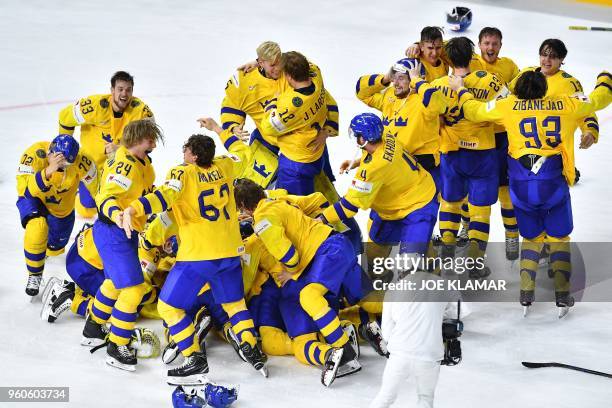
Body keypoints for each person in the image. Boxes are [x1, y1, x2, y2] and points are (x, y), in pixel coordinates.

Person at [451, 69, 611, 315]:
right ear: (544, 90)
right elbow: (599, 99)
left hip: (520, 184)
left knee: (532, 238)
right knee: (558, 238)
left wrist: (460, 89)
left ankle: (526, 291)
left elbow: (474, 111)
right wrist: (605, 78)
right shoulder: (564, 104)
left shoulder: (508, 105)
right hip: (552, 182)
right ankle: (562, 293)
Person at [121, 132, 267, 383]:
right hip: (231, 251)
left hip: (198, 255)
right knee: (234, 304)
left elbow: (163, 197)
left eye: (186, 149)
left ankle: (193, 358)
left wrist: (133, 208)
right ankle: (252, 348)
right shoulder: (224, 164)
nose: (183, 153)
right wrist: (222, 131)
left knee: (168, 307)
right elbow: (243, 154)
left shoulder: (183, 173)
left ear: (194, 155)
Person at [234, 179, 366, 387]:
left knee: (302, 317)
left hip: (310, 268)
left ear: (243, 207)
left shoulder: (258, 227)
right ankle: (362, 324)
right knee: (364, 299)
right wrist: (316, 224)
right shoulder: (279, 199)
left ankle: (341, 349)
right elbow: (318, 199)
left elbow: (288, 258)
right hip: (331, 251)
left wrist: (291, 271)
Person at [80, 119, 162, 371]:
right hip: (113, 230)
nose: (154, 143)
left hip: (124, 231)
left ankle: (93, 327)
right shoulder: (125, 165)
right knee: (134, 290)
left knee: (115, 282)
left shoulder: (142, 161)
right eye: (150, 138)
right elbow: (106, 196)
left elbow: (143, 191)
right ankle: (117, 346)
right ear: (138, 139)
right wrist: (117, 214)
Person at [319, 113, 438, 282]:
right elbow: (380, 156)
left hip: (419, 205)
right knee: (375, 251)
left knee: (412, 265)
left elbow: (350, 206)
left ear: (363, 139)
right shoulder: (386, 134)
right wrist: (356, 162)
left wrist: (323, 218)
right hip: (397, 201)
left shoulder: (372, 170)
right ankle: (380, 283)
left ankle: (439, 287)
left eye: (356, 134)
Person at [430, 37, 508, 278]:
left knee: (450, 203)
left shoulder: (438, 84)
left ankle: (447, 252)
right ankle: (475, 263)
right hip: (483, 154)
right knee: (480, 210)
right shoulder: (491, 80)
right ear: (472, 54)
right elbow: (509, 108)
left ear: (449, 59)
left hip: (451, 154)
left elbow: (430, 117)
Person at [58, 71, 154, 217]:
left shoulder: (140, 111)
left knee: (128, 197)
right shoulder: (94, 106)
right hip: (92, 166)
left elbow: (150, 143)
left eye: (128, 90)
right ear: (112, 91)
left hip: (122, 166)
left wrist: (123, 149)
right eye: (120, 89)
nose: (124, 93)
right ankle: (81, 196)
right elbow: (65, 118)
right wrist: (64, 150)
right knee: (88, 206)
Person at [462, 27, 521, 259]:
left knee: (506, 190)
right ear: (479, 45)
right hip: (474, 136)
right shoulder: (470, 62)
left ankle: (512, 236)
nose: (490, 48)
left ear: (501, 45)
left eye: (495, 44)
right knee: (471, 188)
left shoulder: (509, 66)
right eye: (486, 43)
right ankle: (467, 229)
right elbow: (441, 51)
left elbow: (521, 91)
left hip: (502, 137)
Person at [16, 134, 97, 296]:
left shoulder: (83, 162)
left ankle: (44, 252)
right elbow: (25, 191)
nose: (63, 167)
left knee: (55, 248)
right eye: (60, 162)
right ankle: (35, 275)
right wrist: (48, 170)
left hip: (62, 208)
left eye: (67, 164)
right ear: (50, 152)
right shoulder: (33, 155)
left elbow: (98, 190)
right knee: (37, 226)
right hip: (34, 198)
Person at [369, 272, 460, 408]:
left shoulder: (393, 290)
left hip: (399, 355)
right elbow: (457, 316)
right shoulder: (443, 286)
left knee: (385, 397)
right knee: (425, 399)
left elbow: (386, 334)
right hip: (429, 355)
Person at [354, 58, 448, 187]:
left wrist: (417, 81)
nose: (396, 83)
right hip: (394, 163)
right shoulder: (390, 95)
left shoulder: (423, 101)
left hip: (422, 166)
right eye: (395, 77)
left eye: (401, 78)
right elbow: (361, 92)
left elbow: (439, 104)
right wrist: (385, 79)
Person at [259, 51, 339, 196]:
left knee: (294, 207)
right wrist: (259, 61)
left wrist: (272, 103)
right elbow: (305, 61)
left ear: (289, 76)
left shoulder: (291, 106)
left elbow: (268, 128)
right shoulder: (317, 76)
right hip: (315, 154)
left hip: (295, 165)